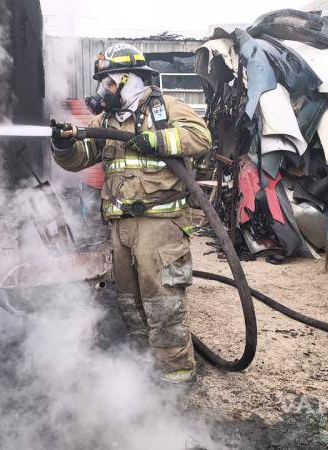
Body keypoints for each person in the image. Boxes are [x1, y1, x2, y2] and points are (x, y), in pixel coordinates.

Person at [51, 43, 211, 384]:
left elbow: (201, 138)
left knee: (162, 306)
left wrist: (156, 140)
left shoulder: (167, 108)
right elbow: (80, 157)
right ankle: (144, 373)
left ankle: (176, 380)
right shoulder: (105, 121)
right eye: (103, 84)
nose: (104, 90)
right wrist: (63, 146)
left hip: (160, 227)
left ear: (130, 80)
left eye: (109, 82)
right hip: (120, 228)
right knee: (130, 304)